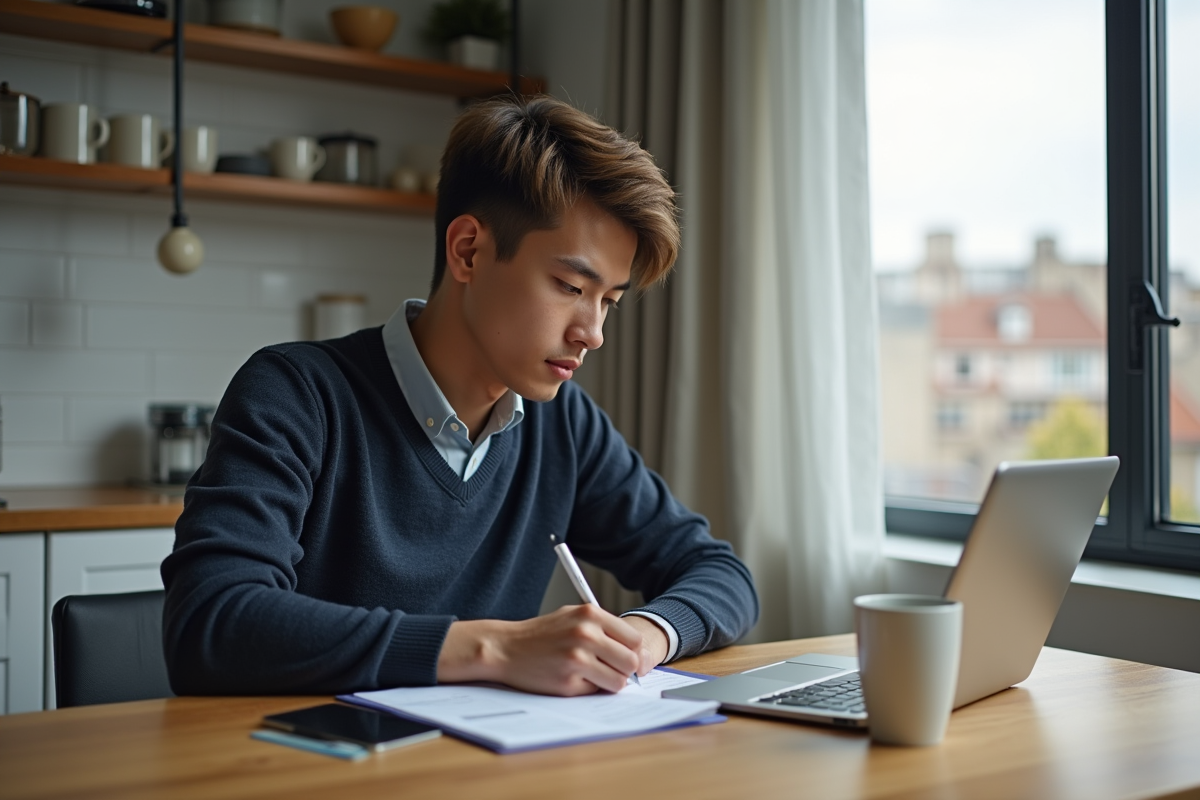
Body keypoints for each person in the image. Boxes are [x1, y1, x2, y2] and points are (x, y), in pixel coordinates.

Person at [162, 95, 759, 698]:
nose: (593, 333)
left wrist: (642, 636)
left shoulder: (564, 425)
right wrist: (495, 648)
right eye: (570, 286)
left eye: (609, 301)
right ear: (468, 250)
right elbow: (211, 623)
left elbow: (721, 573)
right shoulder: (297, 395)